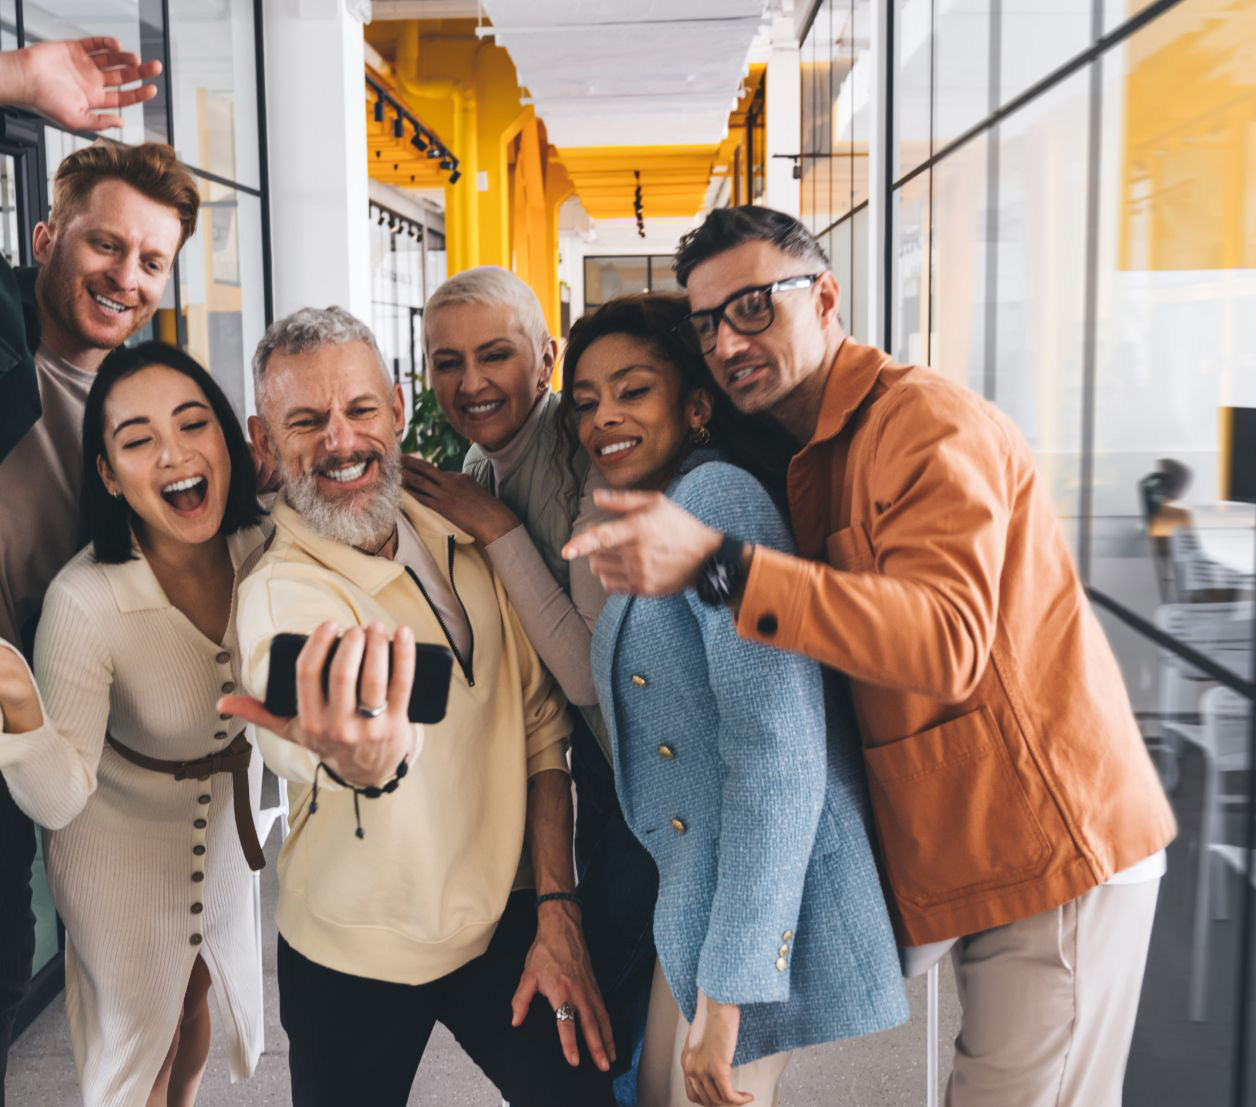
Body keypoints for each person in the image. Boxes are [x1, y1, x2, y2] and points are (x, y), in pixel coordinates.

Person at [564, 206, 1179, 1107]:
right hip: (970, 853)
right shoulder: (814, 452)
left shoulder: (923, 423)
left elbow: (946, 641)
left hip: (1053, 851)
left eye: (753, 307)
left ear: (824, 296)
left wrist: (715, 565)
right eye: (708, 324)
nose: (730, 340)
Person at [218, 306, 617, 1106]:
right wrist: (358, 754)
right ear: (265, 442)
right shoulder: (281, 589)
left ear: (397, 410)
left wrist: (557, 905)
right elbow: (304, 703)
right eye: (306, 421)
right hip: (352, 953)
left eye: (359, 410)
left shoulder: (459, 525)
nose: (340, 440)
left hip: (506, 920)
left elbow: (541, 730)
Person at [566, 292, 905, 1107]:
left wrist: (730, 994)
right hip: (699, 901)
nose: (603, 415)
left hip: (745, 919)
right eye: (585, 401)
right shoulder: (668, 508)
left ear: (695, 403)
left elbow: (777, 755)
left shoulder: (719, 501)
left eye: (632, 389)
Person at [400, 268, 659, 1100]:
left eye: (494, 355)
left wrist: (497, 529)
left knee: (638, 1012)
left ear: (546, 359)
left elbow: (589, 671)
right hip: (602, 775)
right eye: (447, 362)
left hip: (649, 781)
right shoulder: (485, 460)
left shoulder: (586, 462)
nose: (470, 383)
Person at [0, 343, 266, 1105]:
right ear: (110, 475)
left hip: (218, 830)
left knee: (193, 1001)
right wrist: (20, 706)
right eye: (139, 439)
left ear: (228, 437)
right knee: (136, 1042)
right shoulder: (85, 599)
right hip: (111, 837)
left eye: (194, 423)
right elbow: (58, 799)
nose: (175, 453)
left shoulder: (264, 547)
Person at [0, 39, 181, 1097]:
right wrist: (16, 86)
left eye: (151, 260)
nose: (125, 274)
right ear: (43, 237)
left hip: (52, 731)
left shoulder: (154, 400)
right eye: (104, 245)